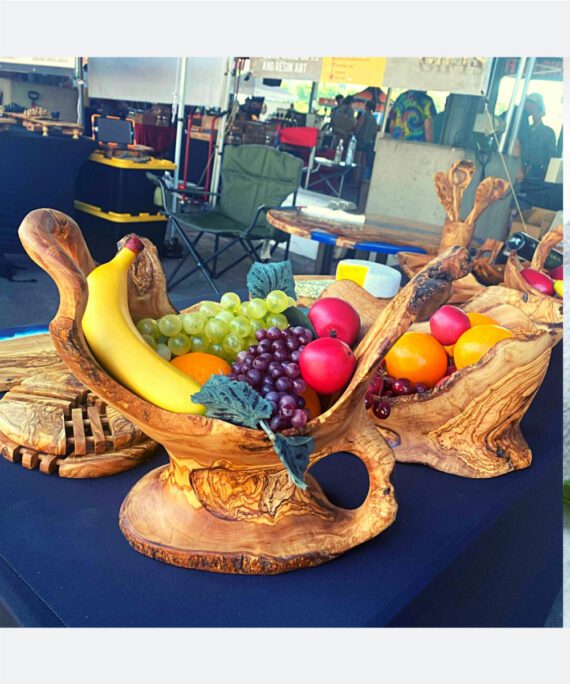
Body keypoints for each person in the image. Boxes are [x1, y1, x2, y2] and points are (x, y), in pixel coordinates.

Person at [519, 92, 556, 180]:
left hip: (537, 175)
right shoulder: (525, 129)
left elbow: (552, 157)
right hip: (521, 171)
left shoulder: (548, 132)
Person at [353, 100, 378, 181]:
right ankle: (361, 181)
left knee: (358, 162)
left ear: (366, 107)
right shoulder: (374, 119)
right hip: (369, 143)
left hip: (361, 141)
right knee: (364, 162)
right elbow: (375, 131)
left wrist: (355, 133)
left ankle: (356, 180)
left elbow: (358, 127)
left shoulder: (364, 116)